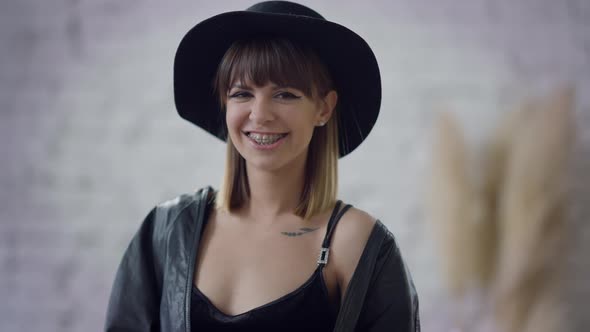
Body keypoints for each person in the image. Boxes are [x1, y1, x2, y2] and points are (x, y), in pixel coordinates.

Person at [105, 1, 420, 331]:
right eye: (242, 93)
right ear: (224, 103)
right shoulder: (167, 232)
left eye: (285, 94)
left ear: (324, 108)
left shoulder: (357, 242)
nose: (260, 114)